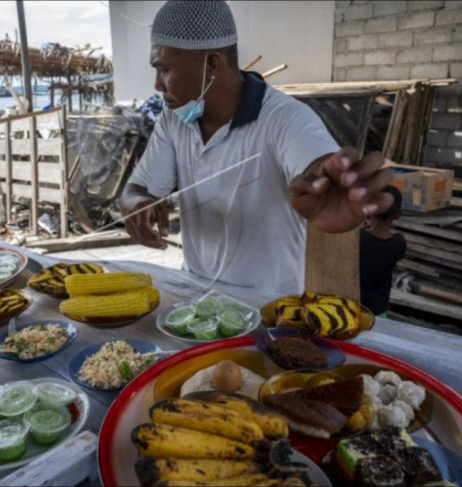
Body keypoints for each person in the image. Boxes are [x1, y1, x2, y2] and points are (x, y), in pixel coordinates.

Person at [119, 0, 394, 294]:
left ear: (211, 64)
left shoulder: (285, 119)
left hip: (271, 313)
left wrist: (330, 187)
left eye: (163, 70)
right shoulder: (174, 120)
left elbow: (318, 168)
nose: (157, 85)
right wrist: (136, 205)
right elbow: (136, 190)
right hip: (197, 305)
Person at [360, 185, 406, 316]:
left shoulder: (358, 240)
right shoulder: (398, 243)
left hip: (352, 305)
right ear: (398, 215)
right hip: (378, 310)